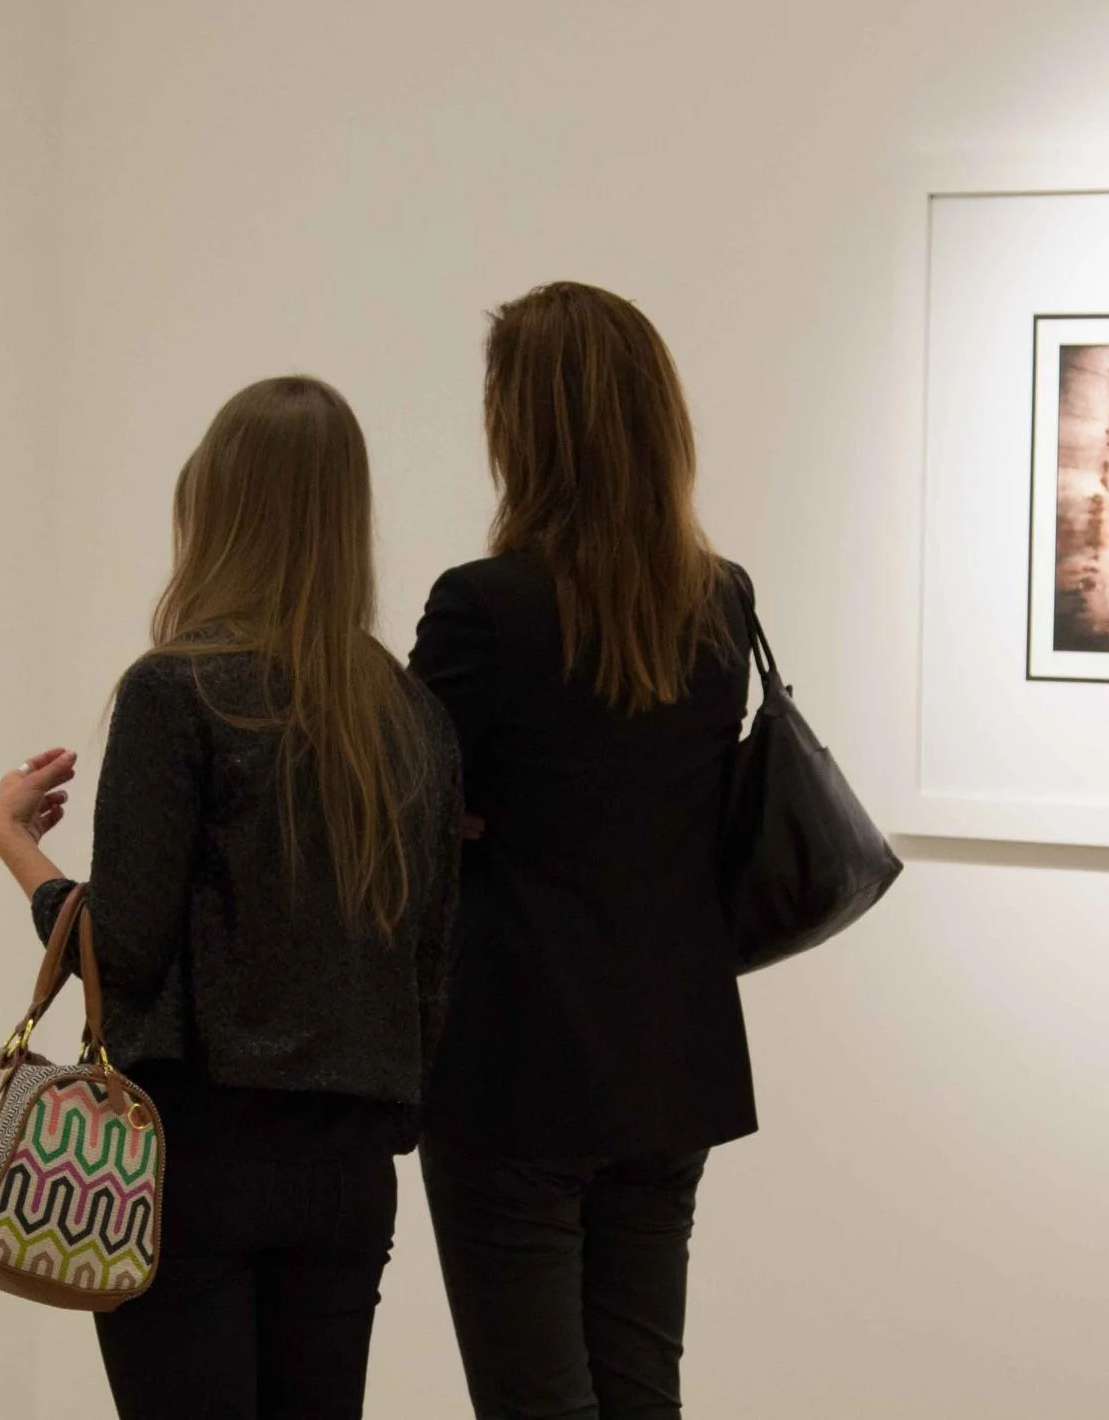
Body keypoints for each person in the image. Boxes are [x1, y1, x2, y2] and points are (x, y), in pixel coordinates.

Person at [0, 375, 463, 1420]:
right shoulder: (412, 716)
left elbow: (124, 946)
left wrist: (18, 846)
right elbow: (431, 968)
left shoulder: (177, 689)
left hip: (191, 1158)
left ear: (215, 510)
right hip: (345, 1173)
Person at [409, 282, 758, 1420]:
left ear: (527, 427)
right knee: (637, 1393)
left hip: (517, 1066)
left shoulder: (484, 609)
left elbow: (400, 809)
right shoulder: (719, 603)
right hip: (670, 1061)